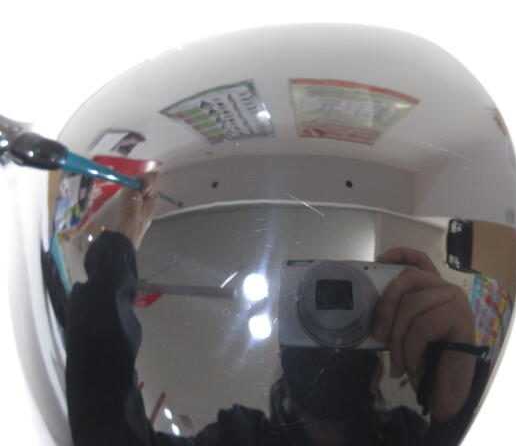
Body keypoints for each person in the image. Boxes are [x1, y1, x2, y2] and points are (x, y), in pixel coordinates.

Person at [65, 172, 489, 446]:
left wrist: (458, 409)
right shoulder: (239, 437)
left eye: (349, 333)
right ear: (284, 351)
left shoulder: (413, 436)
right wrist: (122, 243)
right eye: (312, 331)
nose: (330, 345)